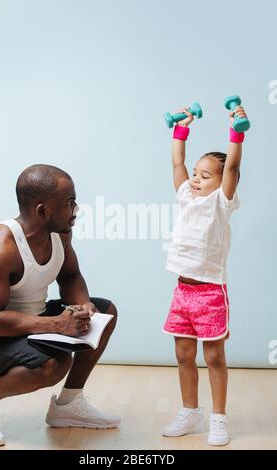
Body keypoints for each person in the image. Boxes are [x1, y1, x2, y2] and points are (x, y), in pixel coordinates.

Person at [0, 164, 120, 447]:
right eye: (69, 203)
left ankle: (68, 405)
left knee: (105, 313)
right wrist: (57, 324)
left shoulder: (60, 232)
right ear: (42, 211)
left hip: (34, 323)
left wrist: (83, 305)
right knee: (54, 364)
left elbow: (70, 275)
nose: (76, 209)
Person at [162, 105, 248, 446]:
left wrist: (236, 133)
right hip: (182, 291)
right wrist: (181, 130)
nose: (196, 179)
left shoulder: (221, 202)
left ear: (222, 182)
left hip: (210, 293)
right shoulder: (186, 196)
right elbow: (177, 163)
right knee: (183, 355)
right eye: (196, 173)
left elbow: (235, 166)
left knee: (213, 357)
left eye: (205, 175)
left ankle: (218, 418)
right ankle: (190, 411)